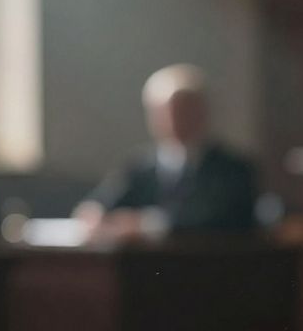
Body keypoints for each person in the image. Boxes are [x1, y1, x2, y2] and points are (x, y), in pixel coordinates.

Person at [75, 64, 257, 237]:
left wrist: (148, 225)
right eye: (164, 112)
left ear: (202, 111)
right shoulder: (140, 165)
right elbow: (103, 201)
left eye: (182, 110)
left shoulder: (233, 169)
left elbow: (219, 219)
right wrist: (94, 213)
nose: (172, 120)